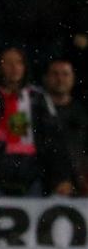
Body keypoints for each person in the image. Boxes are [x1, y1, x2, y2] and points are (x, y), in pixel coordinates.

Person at [0, 47, 72, 197]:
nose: (14, 68)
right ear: (0, 66)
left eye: (19, 62)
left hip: (32, 181)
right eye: (8, 63)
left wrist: (62, 177)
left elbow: (54, 140)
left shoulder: (38, 98)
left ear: (24, 67)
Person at [43, 59, 88, 194]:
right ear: (46, 78)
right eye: (55, 74)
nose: (60, 79)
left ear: (73, 78)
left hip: (79, 184)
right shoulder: (36, 111)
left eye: (65, 74)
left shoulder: (82, 113)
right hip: (42, 185)